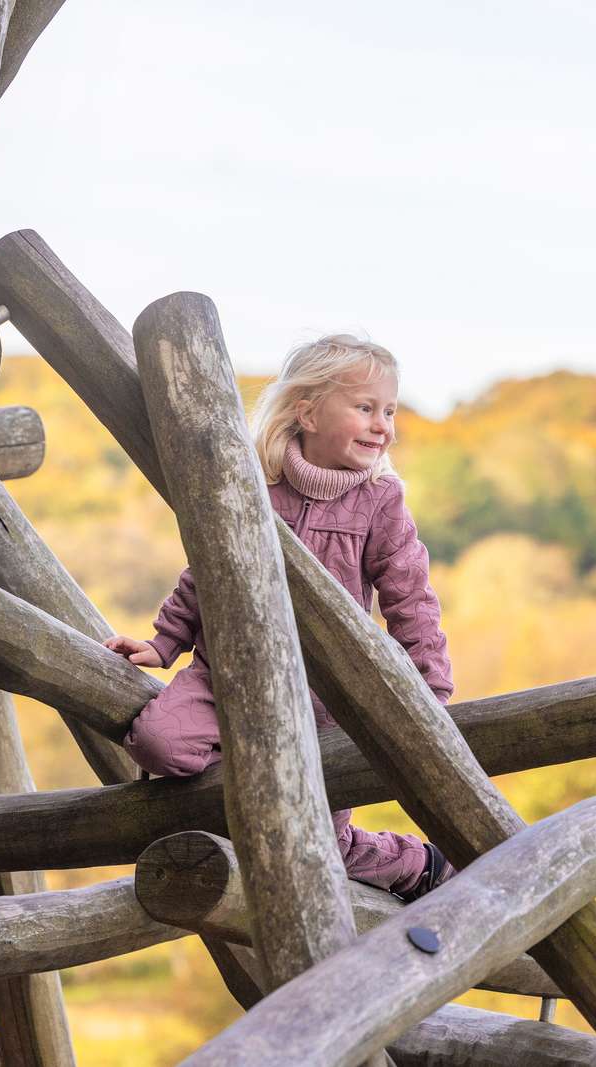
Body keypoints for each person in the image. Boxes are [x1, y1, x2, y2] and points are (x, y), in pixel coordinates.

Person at [104, 335, 454, 901]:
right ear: (306, 410)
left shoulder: (380, 502)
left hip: (326, 699)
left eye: (388, 411)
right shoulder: (254, 488)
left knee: (320, 841)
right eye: (365, 408)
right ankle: (240, 821)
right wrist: (164, 643)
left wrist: (428, 692)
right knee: (157, 745)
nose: (382, 425)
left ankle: (412, 863)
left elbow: (411, 599)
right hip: (229, 676)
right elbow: (205, 570)